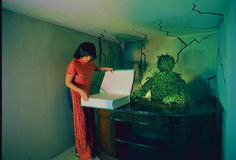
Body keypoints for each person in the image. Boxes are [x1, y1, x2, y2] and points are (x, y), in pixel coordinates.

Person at [65, 42, 113, 160]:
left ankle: (89, 147)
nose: (89, 58)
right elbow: (67, 83)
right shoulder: (74, 64)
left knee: (89, 120)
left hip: (86, 94)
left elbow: (94, 68)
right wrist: (81, 92)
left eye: (91, 56)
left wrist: (104, 69)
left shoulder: (91, 63)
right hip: (76, 94)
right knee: (81, 122)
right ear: (81, 53)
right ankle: (81, 150)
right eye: (86, 56)